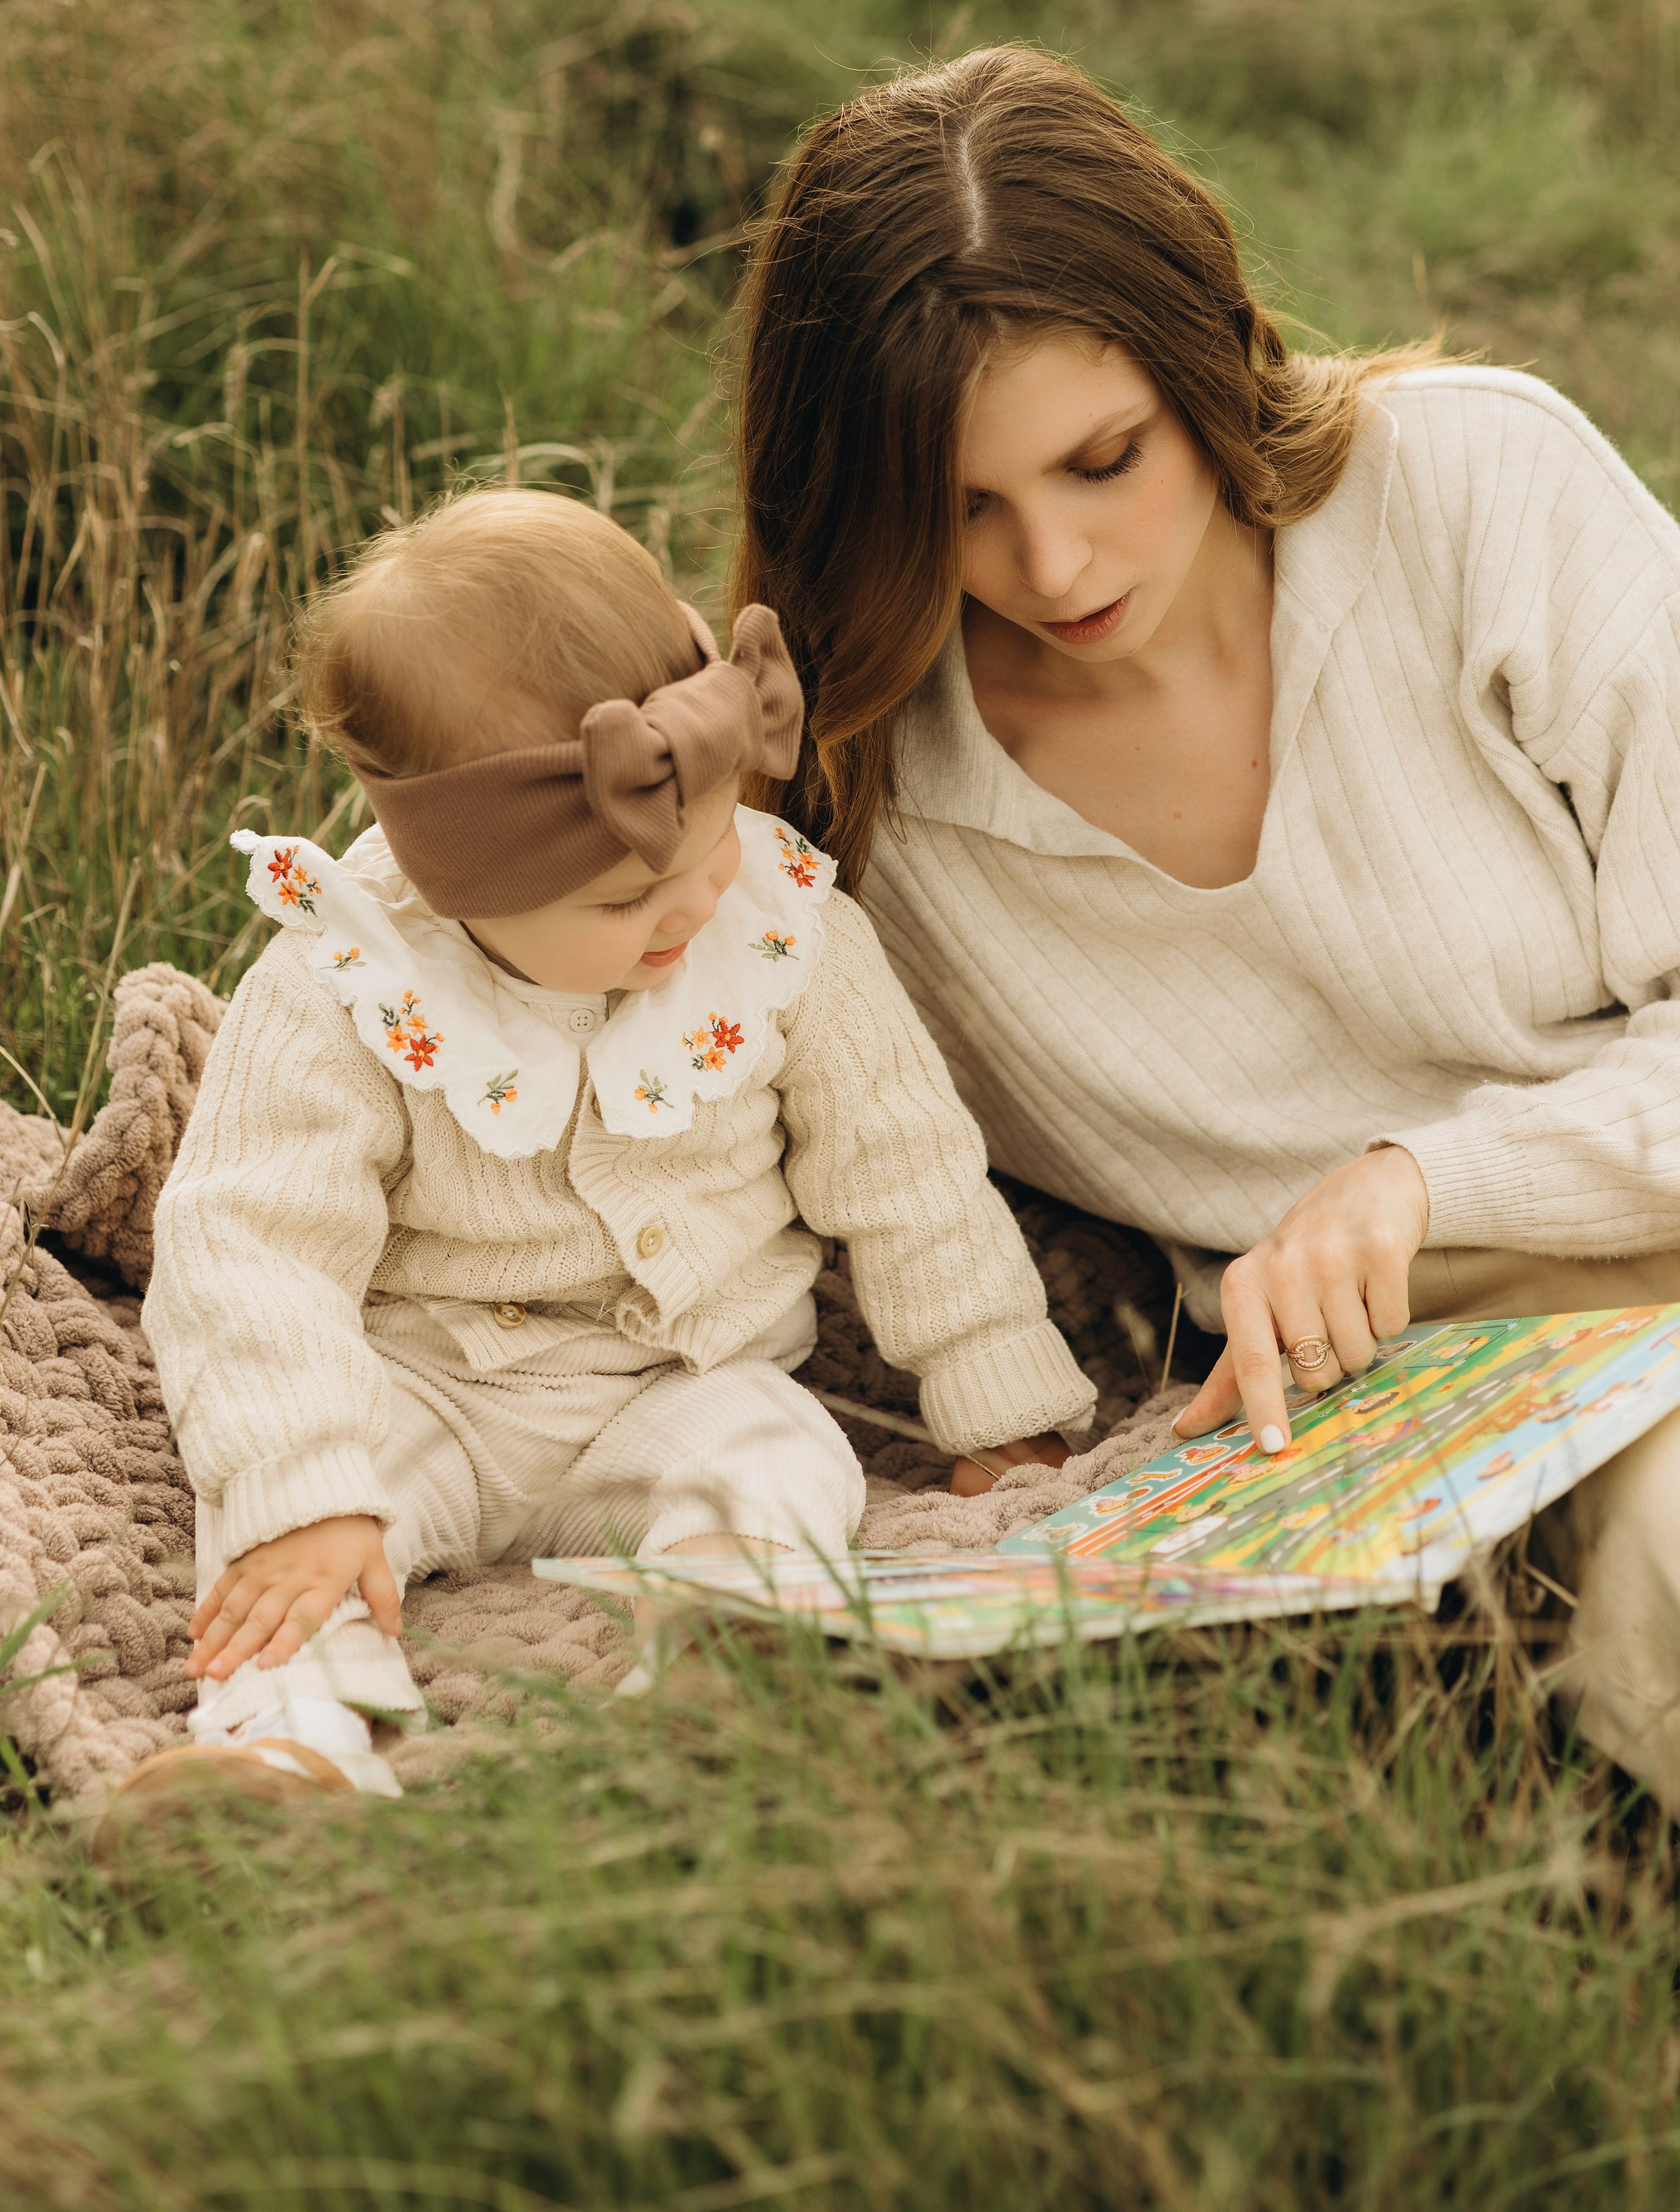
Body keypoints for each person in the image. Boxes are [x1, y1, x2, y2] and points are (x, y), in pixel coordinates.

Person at [731, 41, 1680, 1994]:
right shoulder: (855, 806)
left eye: (1104, 459)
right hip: (1497, 1361)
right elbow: (505, 897)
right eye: (963, 511)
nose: (1054, 565)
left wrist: (1416, 1176)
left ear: (1206, 353)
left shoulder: (1478, 486)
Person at [120, 489, 1093, 1816]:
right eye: (630, 894)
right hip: (433, 1383)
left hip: (682, 1380)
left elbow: (907, 1170)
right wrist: (303, 1484)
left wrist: (1003, 1404)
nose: (695, 900)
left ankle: (722, 1675)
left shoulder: (776, 932)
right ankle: (293, 1745)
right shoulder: (352, 985)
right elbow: (248, 1244)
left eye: (714, 836)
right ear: (461, 885)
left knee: (782, 1460)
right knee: (274, 1524)